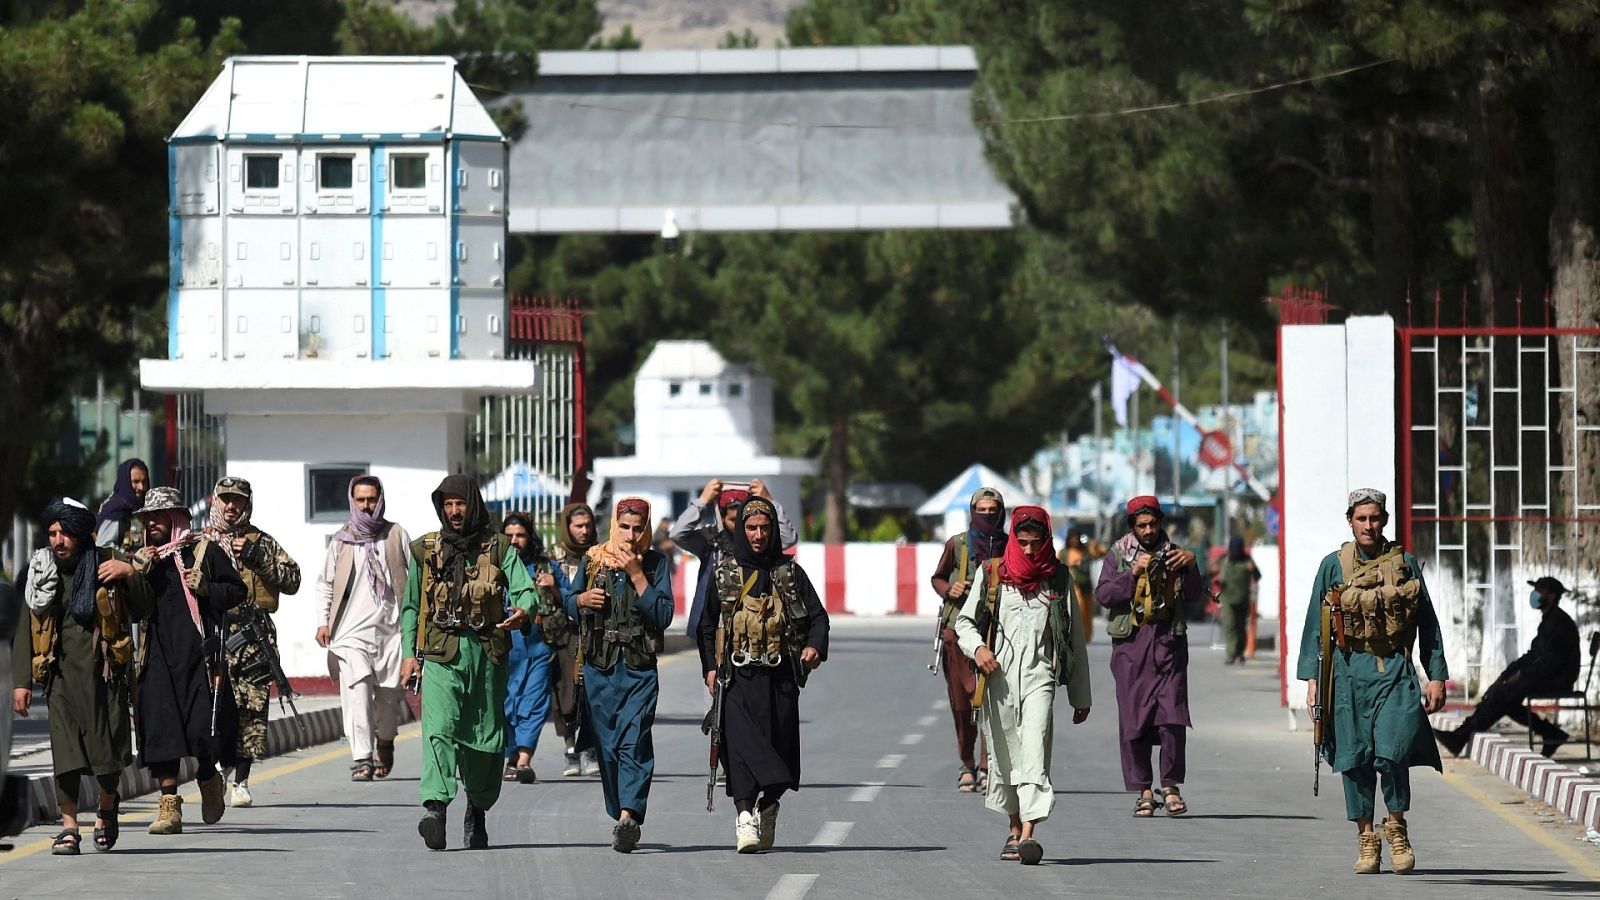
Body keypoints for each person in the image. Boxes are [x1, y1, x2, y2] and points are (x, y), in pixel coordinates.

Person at [1299, 488, 1447, 875]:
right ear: (1350, 520)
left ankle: (1396, 827)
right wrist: (1313, 682)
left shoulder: (1405, 564)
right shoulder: (1333, 566)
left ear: (1384, 521)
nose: (1369, 525)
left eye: (1375, 518)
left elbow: (1427, 623)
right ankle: (1367, 840)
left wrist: (1437, 676)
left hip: (1395, 670)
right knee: (1354, 758)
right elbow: (1316, 629)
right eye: (1361, 518)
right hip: (1347, 675)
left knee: (1392, 752)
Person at [400, 475, 536, 850]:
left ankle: (476, 809)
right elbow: (412, 605)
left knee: (484, 740)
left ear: (472, 504)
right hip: (443, 652)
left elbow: (524, 588)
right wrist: (409, 654)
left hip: (487, 655)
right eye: (448, 504)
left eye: (460, 503)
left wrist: (524, 609)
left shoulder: (499, 547)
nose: (455, 511)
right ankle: (435, 809)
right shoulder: (427, 550)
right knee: (438, 729)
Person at [954, 506, 1091, 866]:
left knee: (1034, 751)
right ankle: (1013, 827)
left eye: (1036, 543)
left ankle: (1028, 835)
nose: (1029, 551)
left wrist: (1080, 695)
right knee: (1006, 755)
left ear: (1047, 540)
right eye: (1023, 542)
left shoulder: (1058, 578)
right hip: (998, 680)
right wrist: (979, 648)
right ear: (1013, 538)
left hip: (1040, 677)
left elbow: (1075, 638)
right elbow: (964, 622)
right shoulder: (993, 574)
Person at [13, 498, 150, 855]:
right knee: (66, 756)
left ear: (80, 534)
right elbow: (26, 626)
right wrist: (21, 683)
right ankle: (69, 827)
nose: (57, 541)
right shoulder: (42, 570)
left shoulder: (108, 562)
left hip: (104, 676)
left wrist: (130, 574)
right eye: (52, 533)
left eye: (64, 533)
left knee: (106, 758)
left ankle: (107, 806)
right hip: (59, 677)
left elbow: (145, 608)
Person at [698, 497, 829, 853]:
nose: (757, 535)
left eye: (764, 528)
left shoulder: (789, 574)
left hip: (780, 678)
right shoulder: (724, 575)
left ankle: (768, 804)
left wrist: (814, 648)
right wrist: (710, 667)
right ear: (741, 529)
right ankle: (744, 819)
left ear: (773, 531)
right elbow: (707, 626)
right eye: (751, 528)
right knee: (739, 751)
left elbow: (818, 618)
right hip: (737, 679)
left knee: (781, 759)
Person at [129, 486, 247, 835]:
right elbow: (133, 611)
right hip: (157, 657)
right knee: (162, 731)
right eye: (146, 519)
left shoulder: (203, 552)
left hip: (199, 658)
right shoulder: (146, 561)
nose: (151, 524)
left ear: (175, 519)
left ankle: (208, 775)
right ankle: (168, 806)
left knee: (200, 732)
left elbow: (237, 591)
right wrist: (137, 573)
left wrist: (207, 589)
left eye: (157, 518)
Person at [564, 496, 673, 853]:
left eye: (637, 529)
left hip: (639, 670)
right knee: (607, 747)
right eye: (624, 527)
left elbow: (663, 614)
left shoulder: (655, 564)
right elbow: (569, 600)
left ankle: (629, 816)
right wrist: (581, 601)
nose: (629, 535)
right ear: (614, 524)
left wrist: (638, 576)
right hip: (600, 669)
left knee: (634, 741)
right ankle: (620, 810)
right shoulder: (594, 559)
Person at [1095, 495, 1205, 818]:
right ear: (1132, 527)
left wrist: (1192, 564)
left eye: (1153, 524)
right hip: (1131, 647)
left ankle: (1170, 785)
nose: (1148, 530)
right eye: (1141, 525)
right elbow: (1103, 594)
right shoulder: (1117, 555)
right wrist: (1132, 573)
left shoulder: (1175, 555)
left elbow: (1194, 595)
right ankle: (1143, 789)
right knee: (1134, 719)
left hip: (1169, 643)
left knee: (1173, 716)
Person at [203, 475, 301, 807]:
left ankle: (241, 780)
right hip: (214, 633)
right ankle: (215, 769)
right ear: (215, 501)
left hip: (253, 635)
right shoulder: (201, 543)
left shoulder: (261, 541)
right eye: (226, 499)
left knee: (253, 707)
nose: (232, 506)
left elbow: (293, 580)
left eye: (239, 501)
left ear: (248, 504)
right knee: (214, 705)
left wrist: (258, 556)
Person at [316, 476, 411, 782]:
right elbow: (326, 585)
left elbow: (415, 582)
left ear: (380, 499)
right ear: (352, 501)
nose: (366, 506)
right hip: (349, 634)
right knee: (356, 693)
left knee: (387, 699)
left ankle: (385, 740)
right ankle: (362, 757)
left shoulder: (396, 535)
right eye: (360, 500)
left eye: (371, 499)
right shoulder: (342, 540)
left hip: (391, 632)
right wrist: (323, 621)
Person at [1435, 576, 1578, 759]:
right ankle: (1550, 733)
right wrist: (1505, 675)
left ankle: (1461, 736)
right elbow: (1532, 656)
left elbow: (1550, 663)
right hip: (1546, 676)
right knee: (1504, 697)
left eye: (1539, 591)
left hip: (1559, 679)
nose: (1535, 595)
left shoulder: (1558, 623)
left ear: (1551, 596)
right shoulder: (1549, 620)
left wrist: (1519, 677)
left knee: (1505, 695)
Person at [928, 487, 1008, 793]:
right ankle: (967, 763)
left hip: (998, 631)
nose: (987, 515)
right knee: (962, 704)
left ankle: (988, 765)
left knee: (992, 701)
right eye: (982, 510)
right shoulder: (958, 544)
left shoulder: (1013, 545)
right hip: (957, 633)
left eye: (993, 510)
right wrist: (950, 589)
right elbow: (937, 577)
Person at [674, 479, 798, 646]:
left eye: (743, 521)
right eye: (734, 520)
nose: (740, 527)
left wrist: (770, 501)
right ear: (722, 518)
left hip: (757, 629)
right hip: (718, 630)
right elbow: (678, 533)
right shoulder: (712, 543)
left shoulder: (759, 542)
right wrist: (702, 501)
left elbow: (789, 538)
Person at [500, 512, 567, 784]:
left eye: (521, 535)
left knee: (535, 703)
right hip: (504, 649)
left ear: (530, 537)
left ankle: (524, 759)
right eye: (509, 536)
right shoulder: (493, 567)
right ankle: (511, 755)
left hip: (539, 647)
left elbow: (571, 600)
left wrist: (554, 589)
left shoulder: (546, 567)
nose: (515, 541)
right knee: (504, 704)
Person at [550, 502, 598, 777]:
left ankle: (590, 747)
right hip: (563, 633)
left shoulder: (600, 554)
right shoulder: (554, 557)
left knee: (591, 692)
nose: (584, 531)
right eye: (578, 526)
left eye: (588, 525)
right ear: (567, 527)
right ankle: (570, 748)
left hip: (593, 631)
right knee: (564, 692)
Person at [1216, 536, 1261, 666]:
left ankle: (1240, 652)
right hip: (1227, 598)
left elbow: (1258, 576)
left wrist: (1253, 570)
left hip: (1242, 598)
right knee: (1230, 625)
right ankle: (1231, 654)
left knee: (1241, 627)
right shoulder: (1224, 559)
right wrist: (1216, 576)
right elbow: (1211, 572)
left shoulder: (1247, 560)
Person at [95, 458, 150, 553]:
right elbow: (104, 550)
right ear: (126, 482)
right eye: (136, 481)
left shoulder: (144, 508)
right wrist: (133, 560)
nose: (141, 487)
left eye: (144, 482)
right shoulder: (116, 511)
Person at [1059, 528, 1095, 643]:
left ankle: (1086, 637)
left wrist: (1093, 545)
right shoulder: (1064, 552)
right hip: (1073, 585)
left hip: (1086, 585)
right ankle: (1076, 636)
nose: (1074, 540)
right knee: (1078, 610)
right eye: (1072, 538)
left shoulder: (1086, 550)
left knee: (1087, 613)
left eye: (1076, 538)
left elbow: (1100, 552)